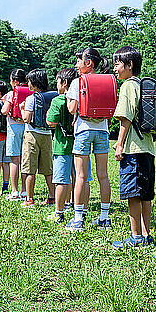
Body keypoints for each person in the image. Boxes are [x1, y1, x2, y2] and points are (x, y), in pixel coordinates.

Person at [111, 46, 155, 248]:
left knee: (133, 195)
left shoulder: (128, 86)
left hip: (133, 149)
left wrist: (119, 144)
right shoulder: (143, 85)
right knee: (145, 194)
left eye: (117, 64)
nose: (115, 69)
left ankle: (135, 236)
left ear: (129, 66)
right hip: (148, 149)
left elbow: (126, 118)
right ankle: (146, 234)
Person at [65, 47, 112, 232]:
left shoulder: (78, 82)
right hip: (102, 132)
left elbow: (71, 108)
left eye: (79, 61)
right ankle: (104, 217)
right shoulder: (109, 80)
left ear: (88, 63)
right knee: (103, 175)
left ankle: (78, 219)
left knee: (81, 176)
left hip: (84, 131)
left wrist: (68, 95)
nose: (76, 65)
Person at [46, 67, 91, 224]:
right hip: (82, 144)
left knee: (61, 180)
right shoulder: (82, 97)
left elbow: (51, 122)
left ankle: (59, 212)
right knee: (82, 178)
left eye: (58, 81)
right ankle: (83, 211)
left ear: (64, 83)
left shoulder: (58, 100)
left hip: (62, 145)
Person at [19, 68, 55, 207]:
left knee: (29, 169)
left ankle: (29, 199)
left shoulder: (31, 98)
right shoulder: (52, 96)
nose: (28, 84)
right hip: (47, 135)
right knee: (48, 169)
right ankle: (52, 197)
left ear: (34, 83)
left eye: (29, 81)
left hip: (32, 134)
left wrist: (22, 109)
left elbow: (27, 119)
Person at [1, 69, 28, 201]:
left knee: (14, 160)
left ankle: (14, 191)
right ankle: (24, 190)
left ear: (15, 81)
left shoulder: (11, 94)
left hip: (13, 127)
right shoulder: (30, 92)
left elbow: (5, 110)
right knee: (24, 160)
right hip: (27, 128)